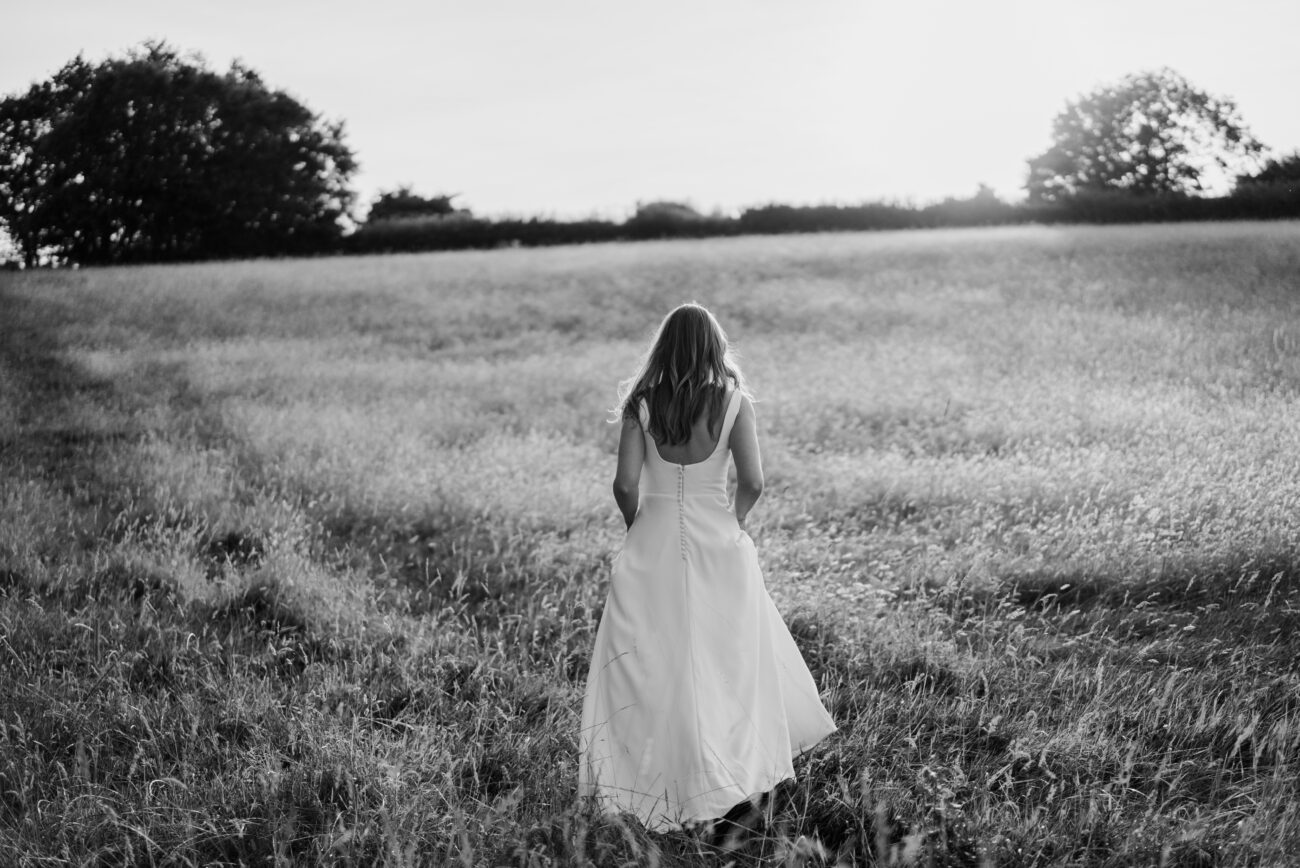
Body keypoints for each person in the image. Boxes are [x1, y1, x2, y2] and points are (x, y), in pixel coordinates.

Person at [578, 302, 837, 835]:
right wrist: (732, 522)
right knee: (728, 658)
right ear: (715, 346)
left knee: (648, 661)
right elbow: (754, 481)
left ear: (664, 347)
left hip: (651, 544)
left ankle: (646, 779)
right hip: (718, 540)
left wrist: (639, 527)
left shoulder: (641, 403)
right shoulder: (735, 401)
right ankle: (732, 772)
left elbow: (625, 485)